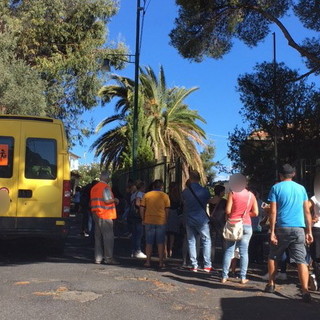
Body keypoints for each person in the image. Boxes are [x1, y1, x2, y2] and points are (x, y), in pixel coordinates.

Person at [265, 164, 313, 303]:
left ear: (280, 175)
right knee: (301, 260)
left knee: (274, 256)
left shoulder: (276, 188)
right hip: (299, 228)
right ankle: (304, 291)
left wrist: (272, 231)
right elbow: (307, 211)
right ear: (294, 174)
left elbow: (273, 211)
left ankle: (271, 285)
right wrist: (309, 231)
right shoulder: (301, 188)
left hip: (282, 227)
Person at [221, 173, 258, 284]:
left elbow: (227, 210)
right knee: (244, 252)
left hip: (234, 224)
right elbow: (255, 213)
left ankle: (224, 276)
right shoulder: (251, 195)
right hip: (246, 224)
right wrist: (245, 214)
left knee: (229, 251)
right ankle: (243, 277)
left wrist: (235, 214)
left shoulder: (233, 193)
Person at [182, 170, 212, 272]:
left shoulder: (185, 192)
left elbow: (184, 203)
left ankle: (194, 265)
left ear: (190, 178)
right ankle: (207, 265)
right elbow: (208, 201)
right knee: (206, 241)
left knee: (191, 241)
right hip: (202, 219)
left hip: (189, 218)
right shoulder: (205, 191)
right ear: (199, 179)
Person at [140, 179, 170, 268]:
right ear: (161, 187)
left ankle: (148, 261)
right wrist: (166, 219)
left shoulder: (147, 195)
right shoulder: (165, 196)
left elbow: (142, 208)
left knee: (149, 242)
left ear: (153, 186)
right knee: (160, 242)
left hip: (149, 220)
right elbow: (167, 209)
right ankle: (161, 262)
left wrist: (143, 218)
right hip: (161, 221)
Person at [90, 171, 119, 265]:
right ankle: (108, 258)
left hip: (96, 213)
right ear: (108, 178)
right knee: (108, 237)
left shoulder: (94, 187)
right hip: (105, 214)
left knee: (98, 237)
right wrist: (115, 199)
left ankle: (98, 258)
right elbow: (107, 200)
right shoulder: (105, 187)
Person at [209, 185, 227, 265]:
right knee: (224, 241)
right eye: (223, 191)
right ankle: (225, 259)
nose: (224, 193)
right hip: (222, 222)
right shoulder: (224, 201)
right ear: (220, 192)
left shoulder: (211, 200)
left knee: (212, 242)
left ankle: (211, 259)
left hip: (213, 221)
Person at [129, 180, 147, 258]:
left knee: (134, 233)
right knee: (139, 233)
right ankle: (138, 250)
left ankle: (133, 250)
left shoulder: (133, 194)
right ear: (142, 187)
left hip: (132, 215)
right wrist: (142, 208)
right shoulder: (140, 194)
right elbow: (137, 203)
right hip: (138, 216)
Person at [166, 182, 182, 258]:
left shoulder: (167, 195)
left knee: (166, 233)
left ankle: (165, 249)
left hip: (167, 213)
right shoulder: (178, 196)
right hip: (175, 214)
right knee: (172, 233)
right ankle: (171, 249)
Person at [308, 195, 320, 291]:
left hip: (317, 228)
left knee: (316, 257)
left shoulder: (316, 197)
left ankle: (317, 278)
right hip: (316, 229)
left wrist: (310, 220)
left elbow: (305, 207)